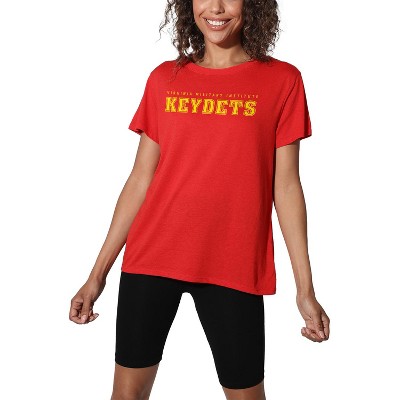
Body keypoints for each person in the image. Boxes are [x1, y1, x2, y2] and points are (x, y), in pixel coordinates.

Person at [69, 0, 330, 398]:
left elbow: (287, 187)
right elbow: (140, 180)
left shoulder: (282, 80)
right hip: (152, 258)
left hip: (234, 264)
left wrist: (305, 289)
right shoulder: (165, 78)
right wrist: (96, 276)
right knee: (126, 395)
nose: (216, 8)